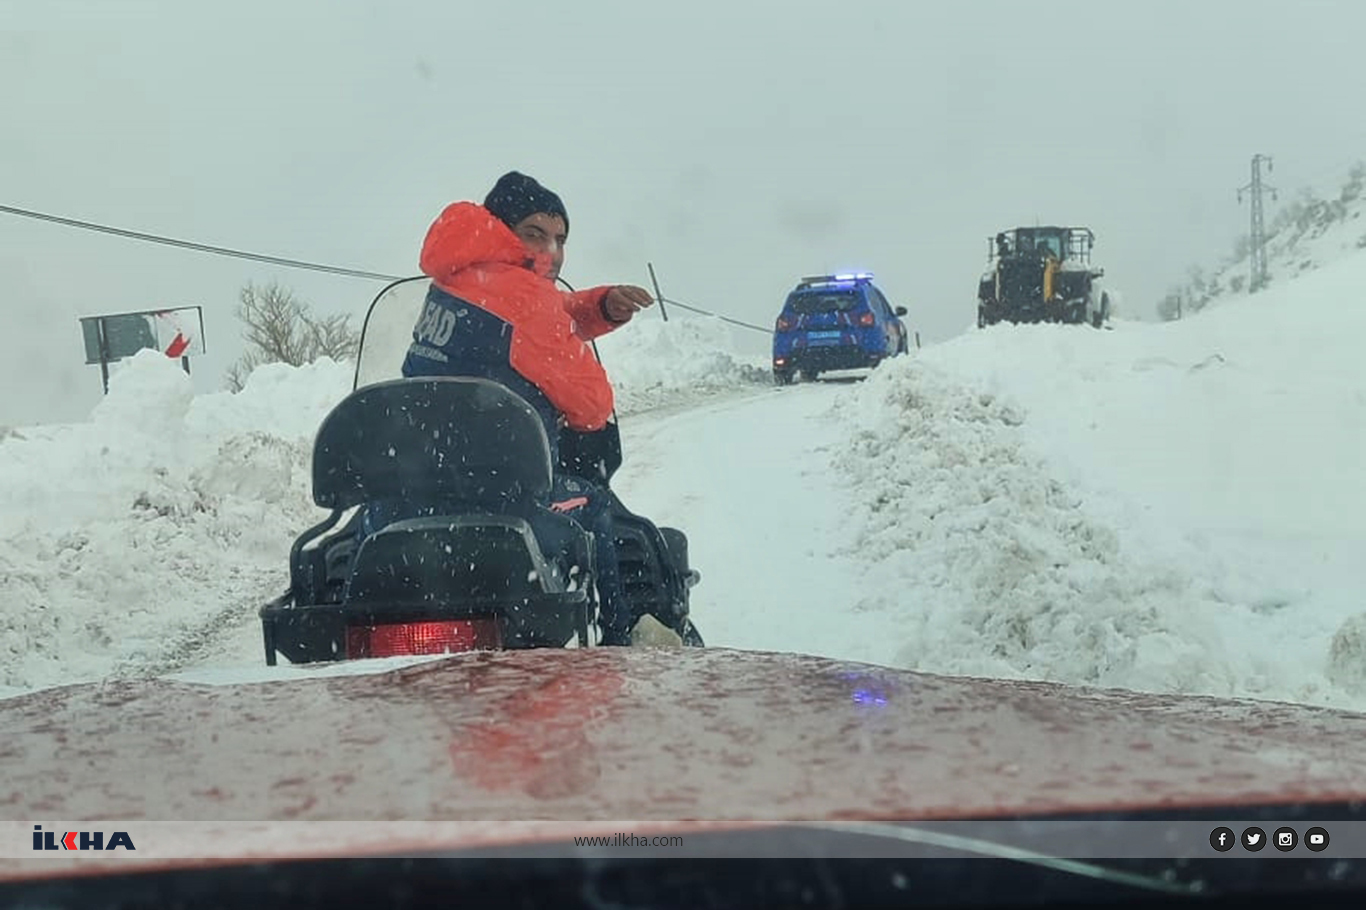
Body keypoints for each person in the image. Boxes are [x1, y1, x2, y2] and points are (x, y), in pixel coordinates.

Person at [374, 171, 676, 647]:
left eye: (560, 238)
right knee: (593, 507)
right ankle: (618, 647)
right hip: (502, 498)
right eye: (535, 234)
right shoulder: (524, 298)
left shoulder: (455, 276)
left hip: (416, 490)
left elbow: (531, 320)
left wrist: (601, 307)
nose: (552, 251)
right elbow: (591, 406)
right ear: (501, 228)